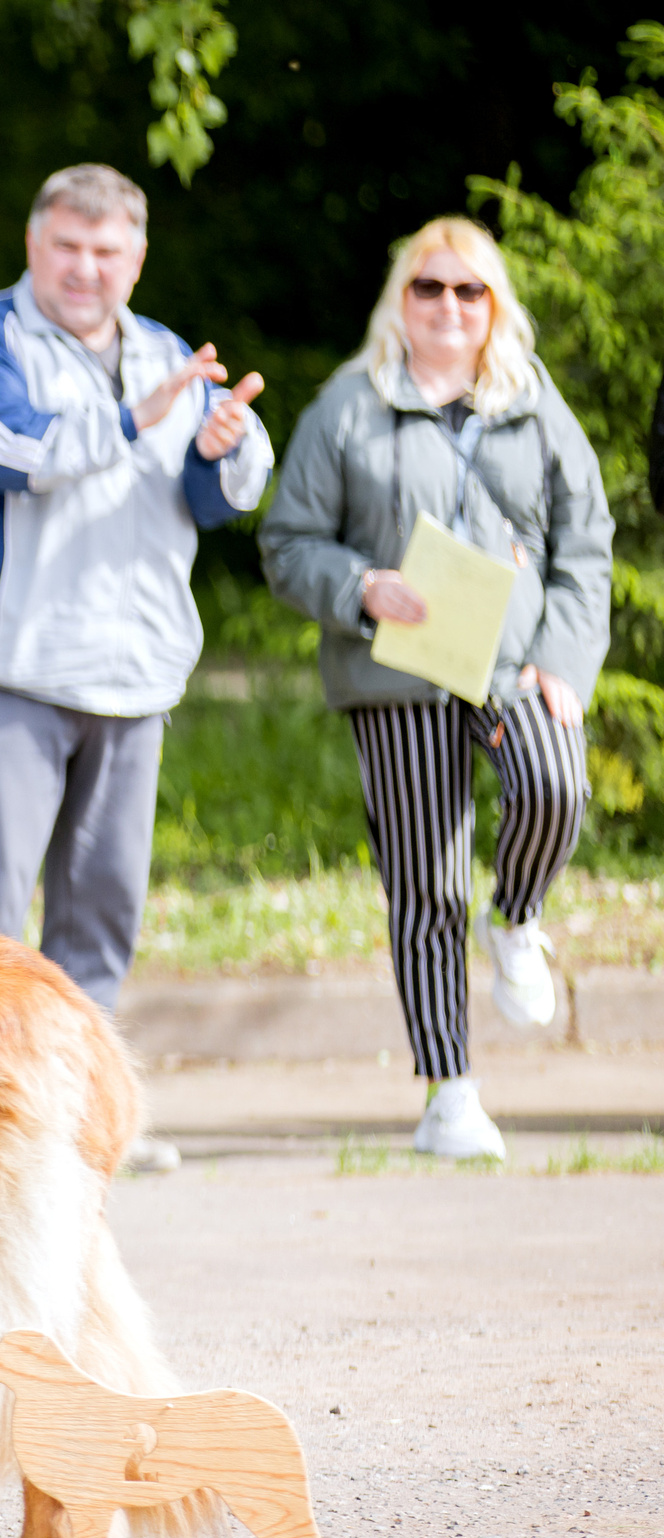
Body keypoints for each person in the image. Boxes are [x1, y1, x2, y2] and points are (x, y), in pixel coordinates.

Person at [0, 162, 273, 1175]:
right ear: (35, 245)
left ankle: (77, 1127)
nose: (85, 269)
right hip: (13, 673)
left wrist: (219, 441)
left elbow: (219, 499)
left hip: (135, 676)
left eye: (106, 252)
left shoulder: (167, 352)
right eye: (67, 247)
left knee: (101, 913)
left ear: (136, 257)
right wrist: (130, 418)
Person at [261, 217, 612, 1161]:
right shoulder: (348, 404)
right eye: (429, 288)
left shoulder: (533, 406)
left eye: (470, 291)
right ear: (399, 301)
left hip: (513, 666)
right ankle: (449, 1090)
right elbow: (287, 544)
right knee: (427, 883)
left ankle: (519, 919)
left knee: (555, 789)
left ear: (495, 305)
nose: (449, 306)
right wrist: (362, 587)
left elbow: (585, 546)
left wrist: (564, 664)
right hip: (398, 673)